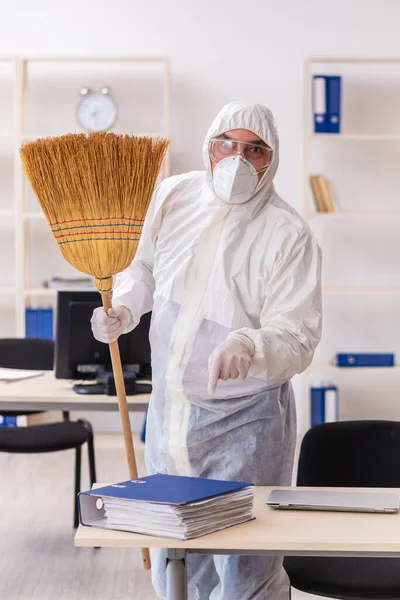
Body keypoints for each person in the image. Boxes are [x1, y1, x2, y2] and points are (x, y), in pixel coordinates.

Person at [91, 100, 322, 599]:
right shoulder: (174, 197)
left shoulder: (289, 233)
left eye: (254, 149)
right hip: (170, 411)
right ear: (210, 145)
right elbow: (143, 269)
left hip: (246, 420)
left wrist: (250, 342)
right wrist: (125, 309)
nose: (238, 159)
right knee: (174, 559)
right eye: (228, 144)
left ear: (272, 158)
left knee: (246, 566)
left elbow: (298, 334)